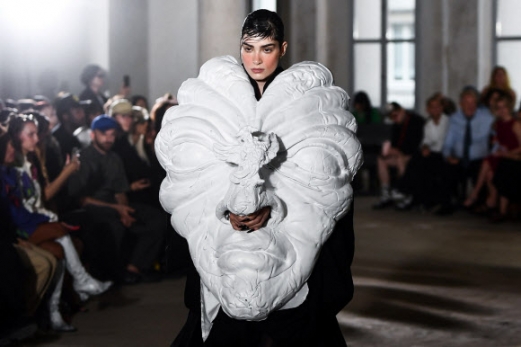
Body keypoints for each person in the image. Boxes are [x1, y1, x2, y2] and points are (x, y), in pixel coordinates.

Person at [170, 9, 358, 347]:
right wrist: (229, 210)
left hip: (288, 241)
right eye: (248, 48)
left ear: (282, 48)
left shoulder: (304, 102)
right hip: (229, 236)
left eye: (266, 49)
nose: (255, 59)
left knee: (292, 324)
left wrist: (273, 206)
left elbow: (323, 182)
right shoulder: (222, 96)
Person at [4, 114, 112, 332]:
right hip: (22, 228)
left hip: (33, 221)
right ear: (16, 138)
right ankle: (80, 283)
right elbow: (25, 208)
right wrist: (67, 172)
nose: (37, 138)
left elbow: (37, 201)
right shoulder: (12, 169)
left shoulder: (29, 163)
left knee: (58, 251)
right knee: (61, 230)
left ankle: (53, 313)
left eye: (37, 133)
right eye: (31, 134)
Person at [68, 115, 166, 284]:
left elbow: (120, 191)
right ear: (93, 135)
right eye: (104, 134)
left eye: (112, 134)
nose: (109, 138)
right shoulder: (83, 159)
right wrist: (118, 210)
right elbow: (82, 199)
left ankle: (135, 266)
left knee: (158, 219)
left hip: (114, 204)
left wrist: (124, 210)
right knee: (113, 225)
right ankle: (113, 272)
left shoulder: (114, 158)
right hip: (93, 207)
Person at [437, 86, 494, 215]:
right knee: (445, 169)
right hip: (459, 158)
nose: (470, 106)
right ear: (461, 104)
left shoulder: (486, 118)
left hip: (479, 159)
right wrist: (448, 156)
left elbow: (498, 136)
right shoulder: (454, 119)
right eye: (466, 103)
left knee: (482, 170)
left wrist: (492, 155)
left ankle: (480, 204)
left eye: (473, 102)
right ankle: (447, 204)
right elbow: (448, 143)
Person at [395, 94, 449, 210]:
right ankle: (414, 196)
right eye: (432, 107)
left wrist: (428, 149)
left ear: (441, 108)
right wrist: (425, 147)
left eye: (437, 107)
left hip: (443, 154)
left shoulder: (447, 122)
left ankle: (404, 189)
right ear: (428, 110)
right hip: (432, 154)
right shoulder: (428, 124)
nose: (435, 110)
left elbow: (444, 142)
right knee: (418, 160)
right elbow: (426, 140)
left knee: (419, 161)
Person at [373, 102, 424, 209]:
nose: (394, 119)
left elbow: (415, 145)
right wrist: (388, 151)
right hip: (401, 154)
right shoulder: (396, 125)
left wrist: (396, 151)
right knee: (381, 160)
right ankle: (386, 194)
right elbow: (395, 143)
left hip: (415, 156)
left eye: (395, 115)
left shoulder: (416, 121)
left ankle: (405, 193)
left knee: (401, 159)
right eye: (391, 117)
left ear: (402, 110)